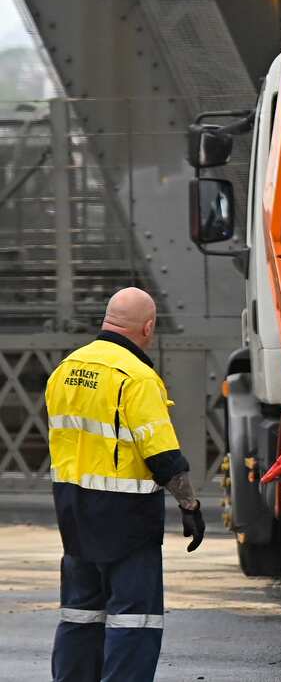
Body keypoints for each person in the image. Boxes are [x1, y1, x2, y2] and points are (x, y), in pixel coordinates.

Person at [45, 287, 205, 682]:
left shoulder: (65, 369)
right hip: (126, 520)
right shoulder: (136, 378)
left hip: (74, 513)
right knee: (135, 621)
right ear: (148, 327)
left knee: (80, 614)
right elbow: (163, 456)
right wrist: (190, 507)